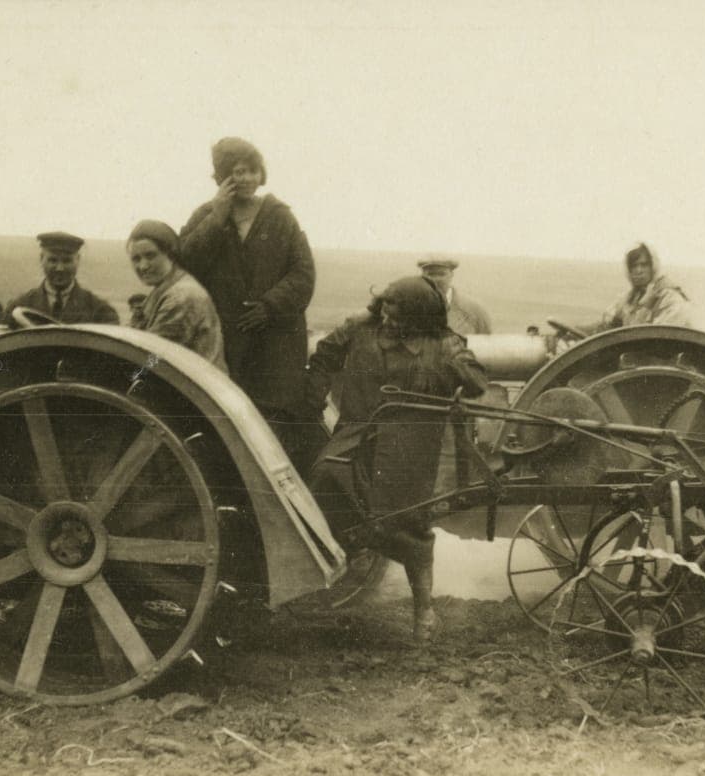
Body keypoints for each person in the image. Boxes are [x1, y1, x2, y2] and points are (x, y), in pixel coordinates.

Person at [306, 276, 488, 642]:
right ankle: (343, 567)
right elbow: (324, 356)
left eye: (397, 317)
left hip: (410, 443)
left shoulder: (442, 343)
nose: (387, 321)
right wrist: (314, 399)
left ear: (419, 319)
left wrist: (449, 356)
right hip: (357, 433)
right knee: (325, 477)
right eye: (384, 311)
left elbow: (476, 383)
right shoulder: (360, 328)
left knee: (408, 521)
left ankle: (424, 611)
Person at [178, 137, 317, 471]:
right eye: (237, 172)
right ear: (222, 176)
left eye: (252, 171)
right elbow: (185, 263)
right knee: (225, 422)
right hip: (226, 341)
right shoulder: (206, 215)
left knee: (274, 427)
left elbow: (303, 274)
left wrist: (269, 307)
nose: (246, 179)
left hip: (277, 344)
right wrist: (217, 218)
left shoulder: (281, 217)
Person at [126, 219, 226, 371]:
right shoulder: (166, 288)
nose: (143, 266)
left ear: (171, 255)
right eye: (136, 259)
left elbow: (152, 360)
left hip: (194, 384)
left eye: (151, 256)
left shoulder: (181, 297)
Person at [1, 231, 119, 326]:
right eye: (53, 260)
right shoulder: (19, 308)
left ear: (78, 260)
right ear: (41, 259)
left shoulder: (101, 312)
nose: (60, 268)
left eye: (67, 261)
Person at [587, 243, 691, 332]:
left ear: (653, 267)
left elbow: (657, 336)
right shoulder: (629, 298)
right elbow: (607, 325)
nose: (638, 271)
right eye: (633, 266)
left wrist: (645, 306)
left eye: (644, 265)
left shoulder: (670, 297)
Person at [417, 257, 492, 334]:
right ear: (422, 277)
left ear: (451, 275)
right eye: (431, 274)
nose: (436, 280)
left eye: (441, 274)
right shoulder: (413, 309)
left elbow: (486, 340)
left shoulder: (474, 311)